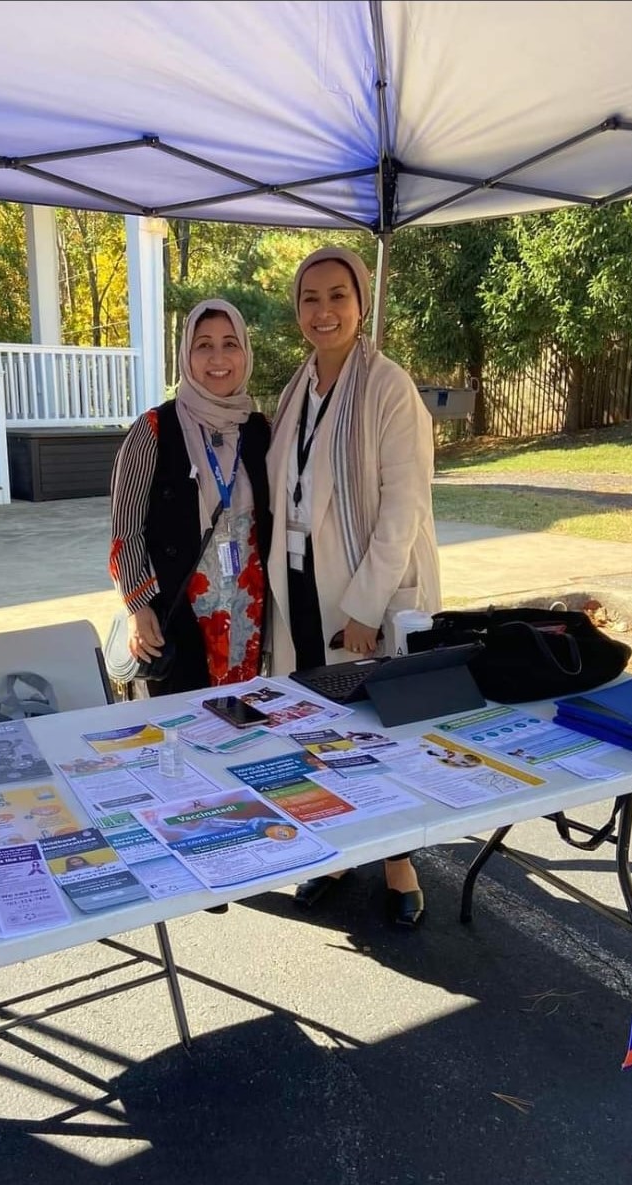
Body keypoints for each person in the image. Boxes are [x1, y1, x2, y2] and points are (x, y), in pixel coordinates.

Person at [266, 245, 441, 928]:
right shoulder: (295, 386)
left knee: (378, 728)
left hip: (370, 588)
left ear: (360, 304)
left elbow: (403, 506)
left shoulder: (387, 386)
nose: (323, 310)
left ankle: (398, 858)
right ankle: (337, 848)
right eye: (309, 297)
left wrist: (365, 607)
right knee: (313, 720)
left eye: (337, 295)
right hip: (301, 584)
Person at [109, 299, 271, 696]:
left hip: (249, 606)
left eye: (230, 344)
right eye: (204, 345)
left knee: (244, 720)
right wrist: (137, 606)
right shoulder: (153, 430)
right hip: (181, 609)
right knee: (186, 727)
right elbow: (125, 531)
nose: (218, 358)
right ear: (186, 355)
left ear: (245, 353)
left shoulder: (261, 429)